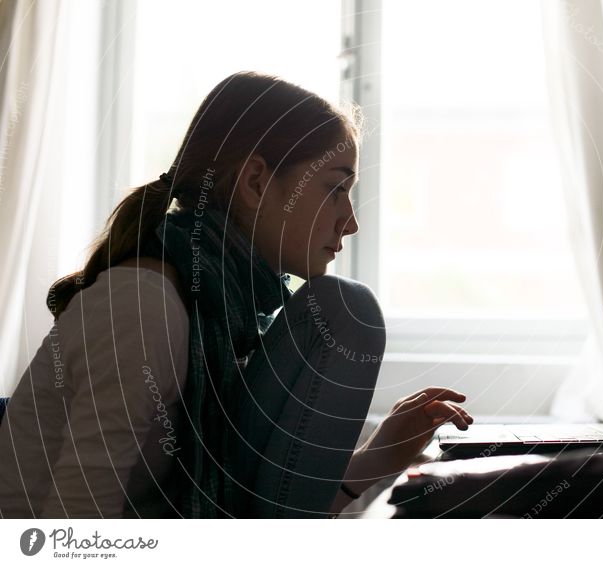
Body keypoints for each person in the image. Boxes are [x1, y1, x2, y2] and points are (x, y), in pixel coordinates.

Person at [0, 71, 473, 519]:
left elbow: (269, 507)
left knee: (346, 311)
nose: (350, 221)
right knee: (350, 310)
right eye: (335, 188)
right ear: (255, 182)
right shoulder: (144, 307)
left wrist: (380, 454)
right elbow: (71, 525)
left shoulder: (233, 314)